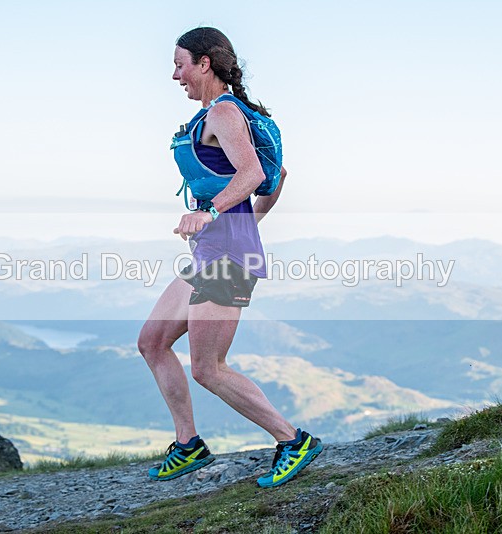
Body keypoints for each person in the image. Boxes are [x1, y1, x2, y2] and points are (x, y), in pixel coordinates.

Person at [137, 27, 322, 488]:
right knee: (153, 342)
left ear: (205, 63)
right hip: (215, 252)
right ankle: (189, 444)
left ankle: (293, 440)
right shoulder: (210, 117)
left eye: (180, 63)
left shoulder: (222, 112)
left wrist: (210, 212)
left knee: (207, 367)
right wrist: (246, 222)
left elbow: (256, 172)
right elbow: (275, 179)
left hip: (226, 257)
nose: (175, 74)